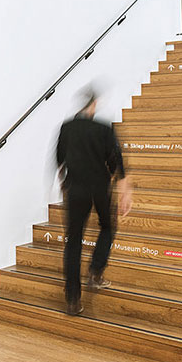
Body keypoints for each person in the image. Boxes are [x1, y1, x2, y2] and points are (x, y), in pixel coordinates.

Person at [56, 89, 132, 316]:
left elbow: (59, 160)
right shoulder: (104, 129)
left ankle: (72, 299)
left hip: (75, 189)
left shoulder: (66, 128)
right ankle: (96, 271)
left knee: (73, 241)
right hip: (99, 188)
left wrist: (64, 184)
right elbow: (116, 161)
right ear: (94, 104)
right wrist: (125, 190)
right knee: (107, 226)